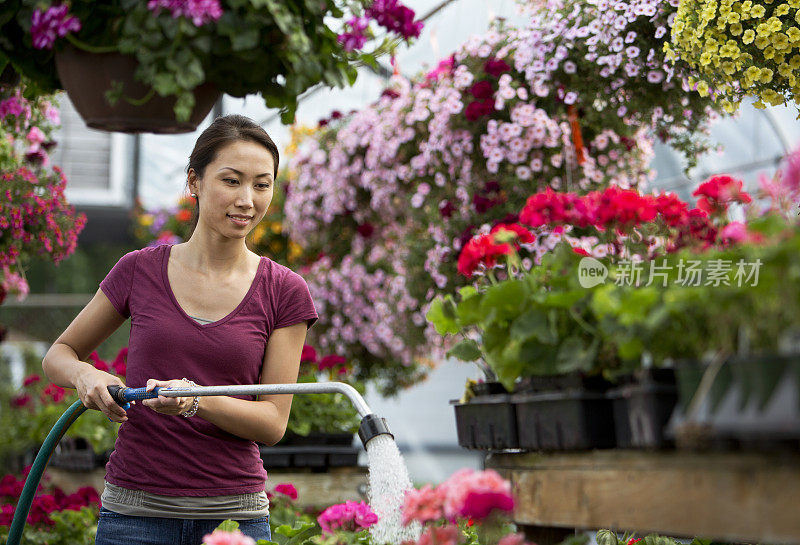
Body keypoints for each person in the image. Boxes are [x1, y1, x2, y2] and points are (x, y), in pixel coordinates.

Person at [41, 114, 319, 545]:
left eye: (261, 185)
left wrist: (196, 401)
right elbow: (59, 354)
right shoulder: (138, 270)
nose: (247, 199)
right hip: (134, 517)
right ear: (195, 181)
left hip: (234, 520)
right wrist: (86, 374)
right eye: (231, 180)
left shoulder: (284, 290)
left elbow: (271, 422)